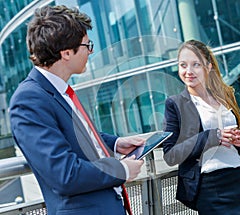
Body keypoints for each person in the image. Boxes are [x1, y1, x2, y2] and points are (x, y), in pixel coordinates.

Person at [9, 5, 144, 215]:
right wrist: (122, 169)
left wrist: (115, 143)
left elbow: (76, 136)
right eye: (87, 45)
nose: (90, 51)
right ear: (66, 53)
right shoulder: (28, 100)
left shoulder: (58, 90)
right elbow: (64, 174)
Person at [162, 40, 240, 214]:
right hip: (210, 186)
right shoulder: (176, 104)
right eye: (183, 65)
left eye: (196, 65)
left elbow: (234, 142)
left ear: (208, 67)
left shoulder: (225, 95)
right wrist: (211, 137)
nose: (188, 71)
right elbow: (171, 154)